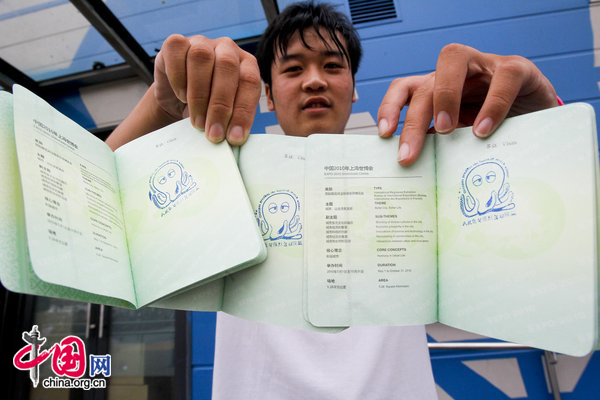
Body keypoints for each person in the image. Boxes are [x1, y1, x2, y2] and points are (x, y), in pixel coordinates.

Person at [107, 2, 559, 399]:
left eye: (333, 66)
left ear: (355, 87)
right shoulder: (222, 179)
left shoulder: (417, 176)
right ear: (266, 92)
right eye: (293, 68)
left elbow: (551, 253)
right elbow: (90, 210)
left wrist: (540, 122)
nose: (314, 81)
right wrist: (163, 107)